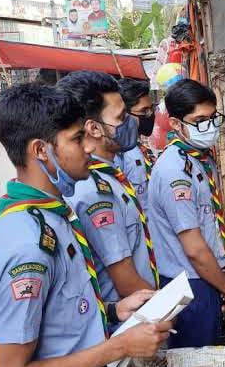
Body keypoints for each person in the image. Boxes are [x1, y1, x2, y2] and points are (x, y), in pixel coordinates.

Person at [0, 82, 172, 367]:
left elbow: (63, 316)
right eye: (74, 138)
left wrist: (113, 311)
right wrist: (118, 346)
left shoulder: (52, 215)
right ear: (39, 150)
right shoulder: (27, 245)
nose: (88, 146)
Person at [148, 79, 225, 348]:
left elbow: (217, 222)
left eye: (213, 118)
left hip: (213, 275)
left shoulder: (201, 158)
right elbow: (194, 250)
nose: (210, 127)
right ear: (177, 124)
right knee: (197, 365)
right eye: (200, 120)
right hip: (190, 286)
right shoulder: (174, 172)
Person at [59, 72, 159, 312]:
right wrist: (163, 307)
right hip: (133, 318)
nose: (132, 122)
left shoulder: (110, 174)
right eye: (122, 117)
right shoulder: (94, 190)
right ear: (94, 128)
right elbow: (126, 282)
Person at [117, 79, 156, 210]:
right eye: (144, 111)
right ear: (124, 115)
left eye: (152, 109)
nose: (150, 115)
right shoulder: (118, 153)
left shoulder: (141, 147)